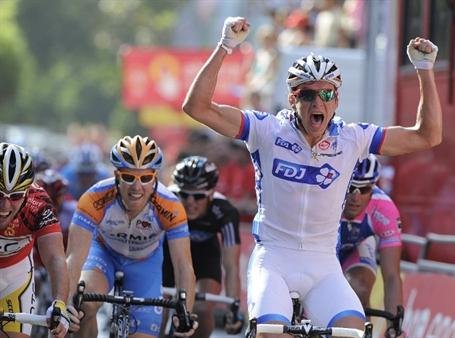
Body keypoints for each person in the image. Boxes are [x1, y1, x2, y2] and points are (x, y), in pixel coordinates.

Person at [181, 16, 441, 334]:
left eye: (327, 94)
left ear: (337, 99)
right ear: (293, 98)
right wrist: (226, 46)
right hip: (274, 259)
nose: (318, 102)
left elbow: (426, 136)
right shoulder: (266, 130)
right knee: (270, 333)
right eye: (307, 95)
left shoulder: (352, 138)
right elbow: (197, 107)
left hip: (323, 266)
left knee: (354, 332)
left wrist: (425, 70)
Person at [65, 135, 197, 338]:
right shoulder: (95, 198)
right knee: (84, 304)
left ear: (155, 176)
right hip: (103, 253)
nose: (137, 187)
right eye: (129, 177)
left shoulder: (170, 206)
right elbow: (74, 258)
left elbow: (183, 266)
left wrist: (185, 312)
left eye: (145, 178)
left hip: (146, 262)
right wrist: (65, 303)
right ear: (117, 175)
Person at [162, 156, 243, 338]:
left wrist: (234, 307)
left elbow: (231, 266)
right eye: (184, 194)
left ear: (212, 193)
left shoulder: (225, 211)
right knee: (159, 311)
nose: (190, 201)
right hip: (169, 255)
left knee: (203, 308)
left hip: (205, 256)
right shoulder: (166, 200)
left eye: (198, 196)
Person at [0, 143, 74, 338]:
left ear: (26, 191)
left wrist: (59, 303)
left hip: (14, 277)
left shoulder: (38, 204)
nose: (4, 205)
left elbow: (56, 258)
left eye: (15, 196)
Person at [337, 155, 403, 318]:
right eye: (350, 188)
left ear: (373, 188)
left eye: (365, 189)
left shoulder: (384, 209)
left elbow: (392, 276)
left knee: (360, 288)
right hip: (317, 247)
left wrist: (394, 326)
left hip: (355, 248)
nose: (355, 198)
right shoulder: (320, 199)